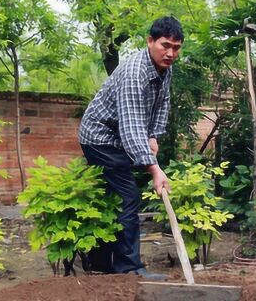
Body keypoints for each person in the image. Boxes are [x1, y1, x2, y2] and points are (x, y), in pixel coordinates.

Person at [78, 16, 183, 280]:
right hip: (100, 138)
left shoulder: (164, 69)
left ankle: (102, 265)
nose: (171, 53)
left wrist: (154, 136)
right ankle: (128, 269)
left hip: (119, 138)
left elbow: (162, 104)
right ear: (150, 41)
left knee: (113, 198)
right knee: (128, 196)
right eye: (165, 45)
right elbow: (131, 126)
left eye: (177, 47)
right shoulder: (135, 72)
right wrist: (155, 169)